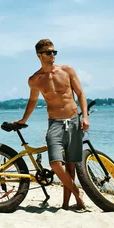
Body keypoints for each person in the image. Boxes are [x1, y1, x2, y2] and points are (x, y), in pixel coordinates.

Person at [14, 39, 89, 210]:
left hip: (73, 121)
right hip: (55, 123)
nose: (52, 55)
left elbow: (80, 93)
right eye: (48, 52)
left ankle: (66, 204)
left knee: (71, 166)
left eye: (54, 52)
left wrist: (85, 117)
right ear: (39, 55)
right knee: (56, 164)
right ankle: (78, 193)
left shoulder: (67, 70)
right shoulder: (35, 79)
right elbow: (32, 101)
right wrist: (23, 120)